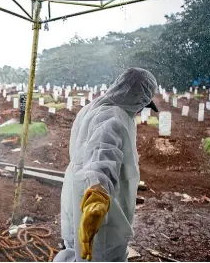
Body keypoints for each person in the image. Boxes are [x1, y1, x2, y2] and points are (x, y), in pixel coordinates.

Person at [54, 68, 158, 262]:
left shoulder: (92, 108)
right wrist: (97, 196)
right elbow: (102, 155)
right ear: (137, 98)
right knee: (101, 253)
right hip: (101, 206)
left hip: (77, 191)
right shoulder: (113, 117)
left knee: (75, 250)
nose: (140, 110)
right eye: (142, 104)